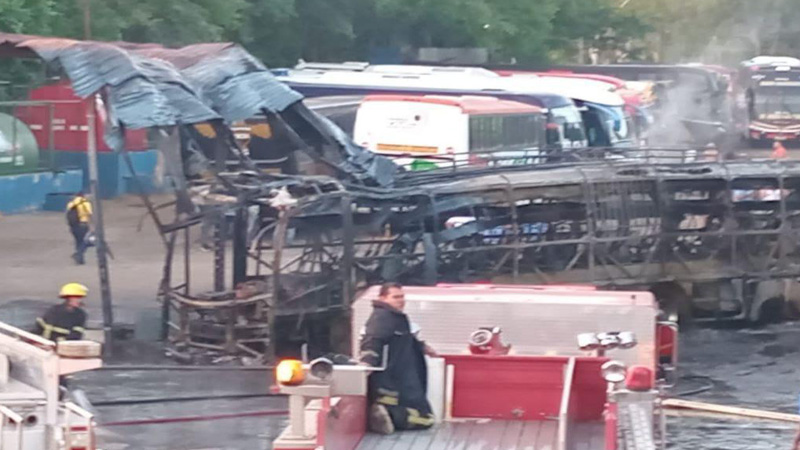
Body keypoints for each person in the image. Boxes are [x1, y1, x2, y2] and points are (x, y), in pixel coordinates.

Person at [359, 282, 436, 435]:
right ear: (382, 298)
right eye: (395, 297)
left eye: (402, 297)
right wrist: (367, 363)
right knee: (426, 419)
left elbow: (405, 338)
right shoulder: (382, 318)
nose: (400, 300)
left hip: (400, 378)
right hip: (394, 378)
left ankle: (385, 414)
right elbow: (372, 341)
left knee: (404, 406)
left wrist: (423, 347)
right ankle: (391, 416)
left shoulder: (395, 317)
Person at [65, 192, 93, 265]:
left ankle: (80, 260)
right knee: (86, 241)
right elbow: (89, 214)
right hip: (83, 224)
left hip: (73, 226)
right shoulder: (85, 203)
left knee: (78, 241)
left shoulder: (71, 204)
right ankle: (78, 254)